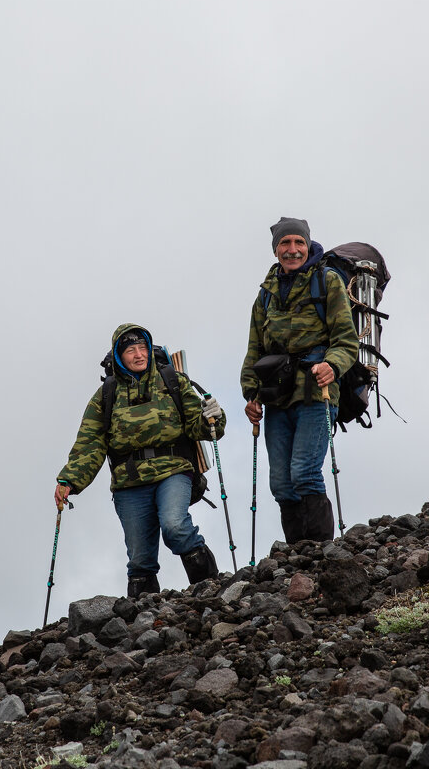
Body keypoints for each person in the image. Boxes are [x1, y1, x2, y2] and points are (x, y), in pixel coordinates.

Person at [56, 323, 226, 597]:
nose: (138, 355)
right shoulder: (106, 395)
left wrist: (213, 418)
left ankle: (211, 591)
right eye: (130, 350)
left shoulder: (173, 381)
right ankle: (143, 616)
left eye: (142, 348)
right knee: (140, 558)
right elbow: (90, 442)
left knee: (175, 526)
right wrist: (69, 480)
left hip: (174, 471)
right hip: (129, 481)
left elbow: (200, 428)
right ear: (118, 357)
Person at [240, 217, 358, 543]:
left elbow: (347, 341)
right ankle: (296, 556)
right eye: (285, 244)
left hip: (316, 391)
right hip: (276, 397)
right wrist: (251, 396)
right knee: (281, 483)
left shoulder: (327, 281)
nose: (292, 250)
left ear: (307, 245)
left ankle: (321, 551)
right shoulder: (265, 295)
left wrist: (332, 365)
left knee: (304, 473)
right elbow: (254, 352)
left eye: (299, 243)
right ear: (276, 249)